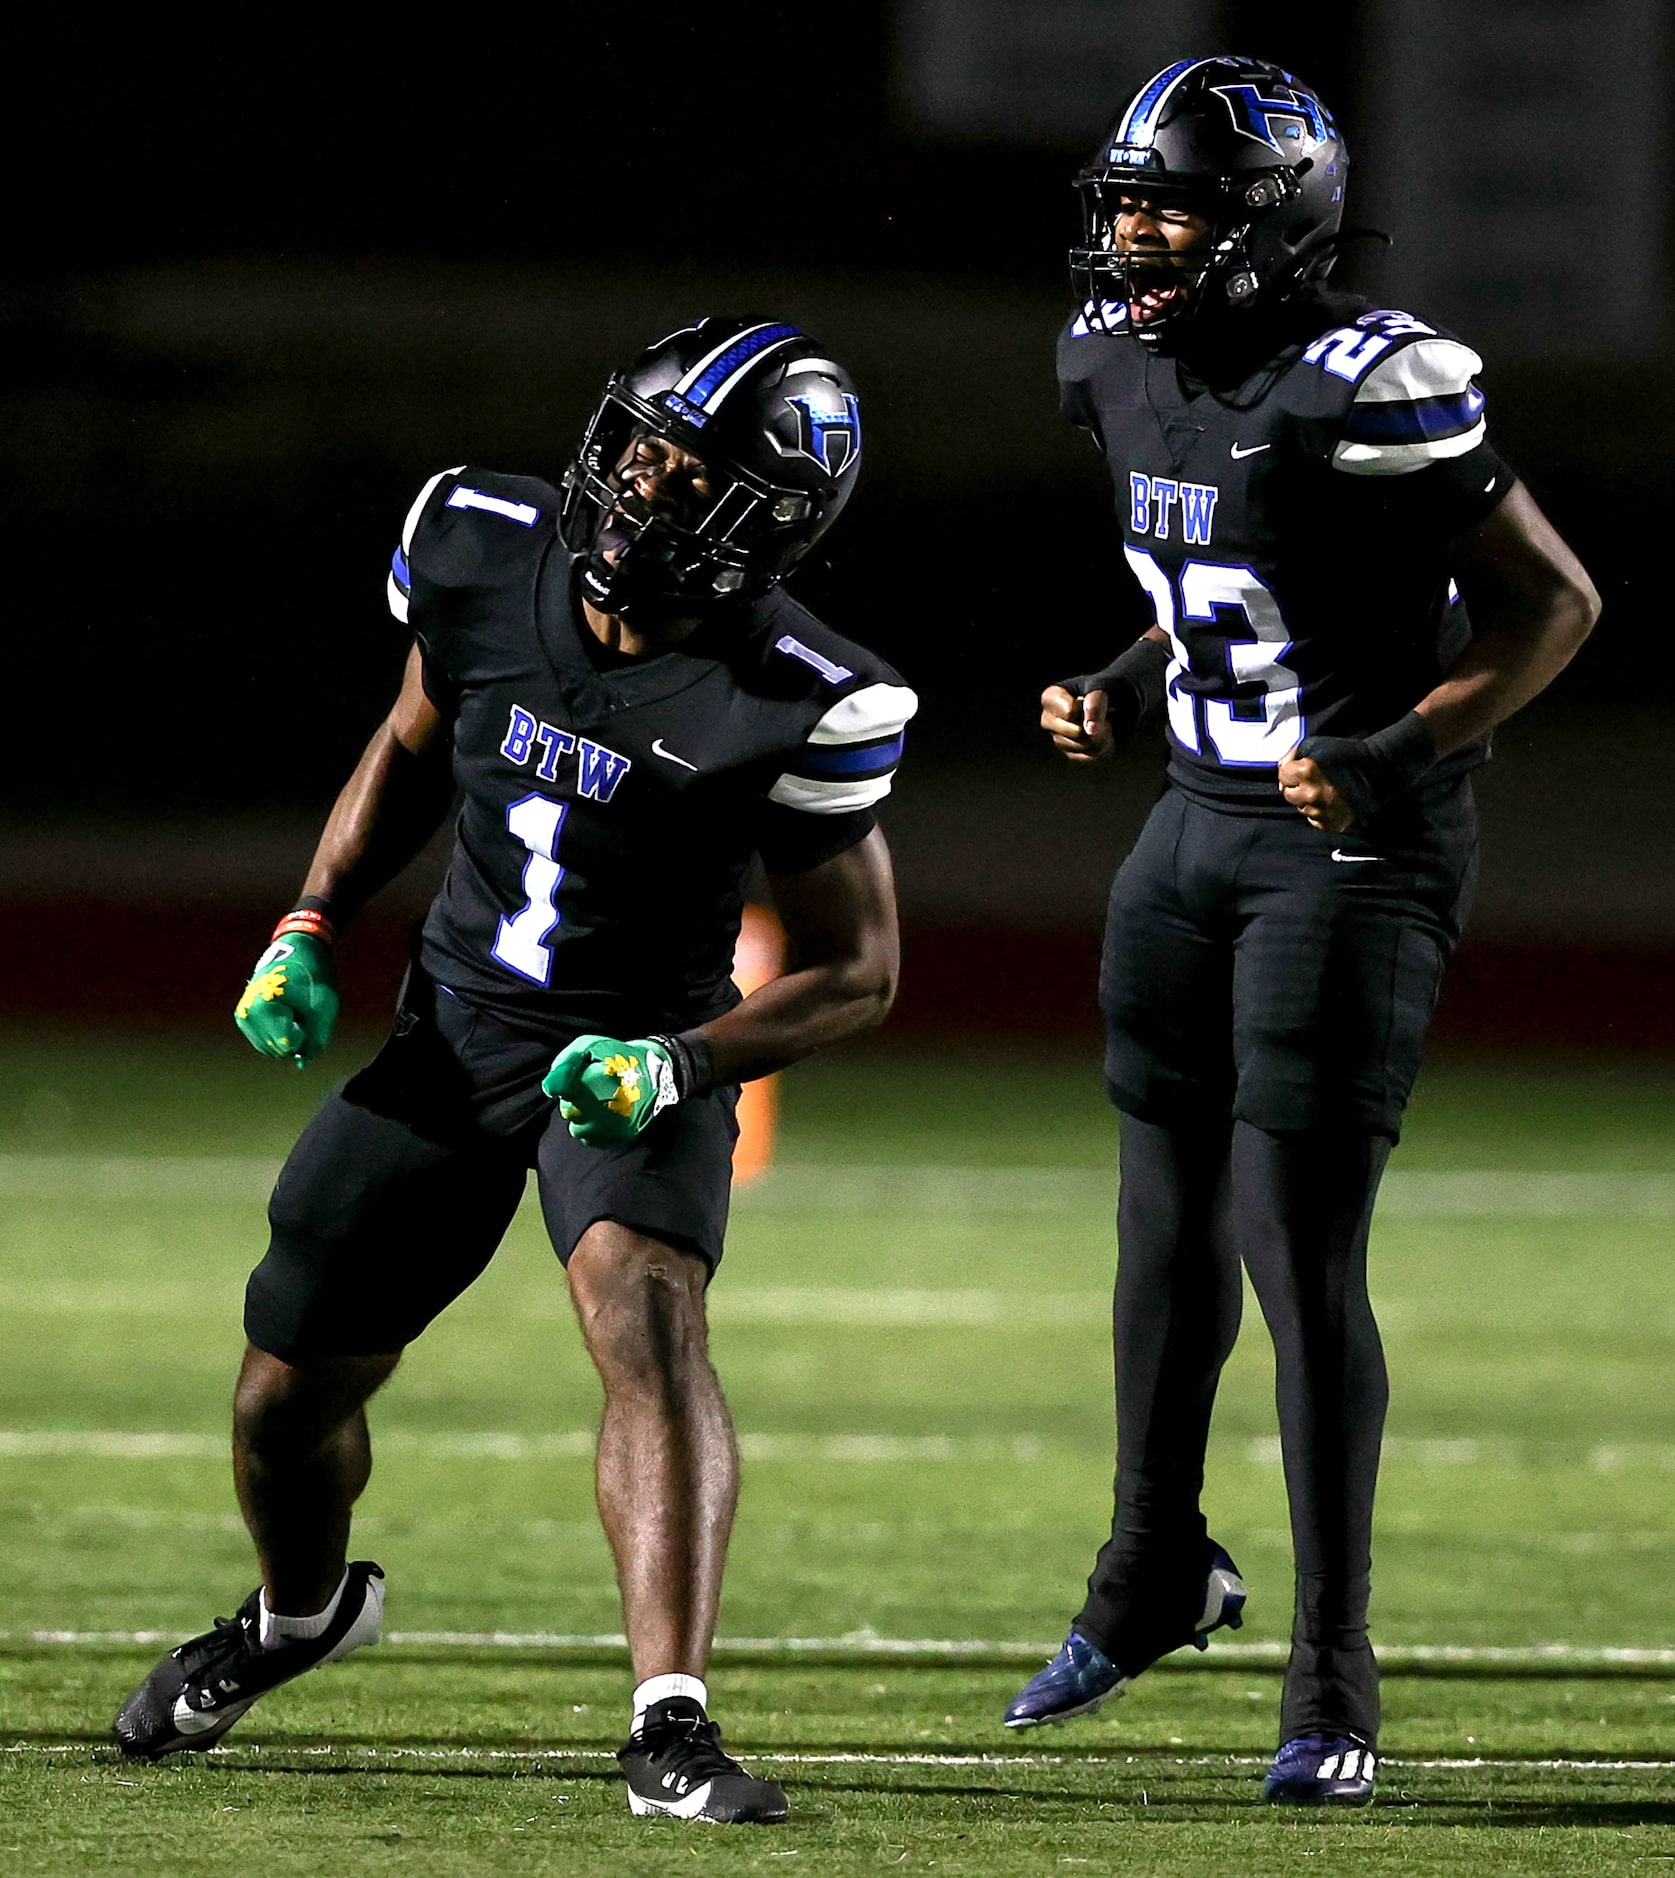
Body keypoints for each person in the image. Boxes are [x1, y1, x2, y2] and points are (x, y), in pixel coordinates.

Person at [112, 317, 917, 1826]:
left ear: (771, 526)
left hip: (636, 1048)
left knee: (647, 1312)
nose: (638, 487)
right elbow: (411, 739)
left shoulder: (795, 688)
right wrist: (309, 918)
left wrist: (678, 1063)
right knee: (280, 1395)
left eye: (691, 475)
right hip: (455, 1028)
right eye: (640, 446)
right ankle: (294, 1617)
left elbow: (857, 972)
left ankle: (668, 1721)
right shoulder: (485, 545)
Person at [1001, 57, 1597, 1805]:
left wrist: (1399, 745)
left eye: (1166, 202)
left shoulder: (1373, 379)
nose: (1130, 233)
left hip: (1353, 851)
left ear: (1271, 222)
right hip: (1188, 828)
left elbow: (1555, 606)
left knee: (1290, 1241)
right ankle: (1149, 1570)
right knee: (1157, 1227)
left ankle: (1335, 1664)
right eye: (1122, 198)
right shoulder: (1110, 357)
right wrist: (1118, 690)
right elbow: (1217, 602)